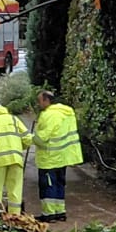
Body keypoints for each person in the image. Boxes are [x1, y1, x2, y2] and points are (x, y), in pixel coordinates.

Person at [32, 89, 83, 222]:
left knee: (48, 185)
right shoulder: (67, 113)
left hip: (49, 157)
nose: (39, 104)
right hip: (63, 156)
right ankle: (60, 211)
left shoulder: (48, 115)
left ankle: (48, 214)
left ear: (46, 100)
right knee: (60, 184)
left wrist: (31, 137)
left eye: (40, 100)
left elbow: (42, 138)